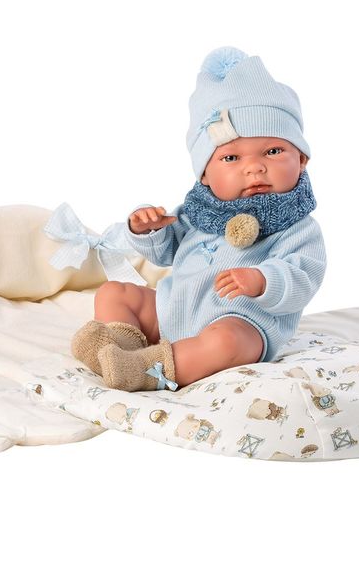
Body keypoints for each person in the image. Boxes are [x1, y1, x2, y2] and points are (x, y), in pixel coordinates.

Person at [70, 46, 327, 392]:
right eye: (232, 157)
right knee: (114, 292)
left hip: (239, 320)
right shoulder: (199, 211)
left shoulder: (298, 227)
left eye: (273, 151)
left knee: (228, 343)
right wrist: (148, 231)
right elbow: (166, 252)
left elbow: (303, 277)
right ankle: (119, 346)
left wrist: (263, 280)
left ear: (302, 159)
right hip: (172, 310)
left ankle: (144, 370)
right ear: (204, 174)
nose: (254, 167)